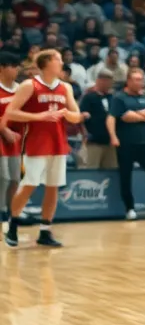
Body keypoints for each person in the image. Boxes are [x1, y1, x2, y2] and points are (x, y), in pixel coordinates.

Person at [4, 50, 82, 248]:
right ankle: (12, 225)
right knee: (29, 185)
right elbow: (11, 112)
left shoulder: (65, 87)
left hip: (58, 143)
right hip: (34, 144)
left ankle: (45, 231)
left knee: (53, 187)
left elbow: (76, 116)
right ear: (47, 63)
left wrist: (67, 113)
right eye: (58, 60)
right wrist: (40, 117)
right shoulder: (29, 85)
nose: (62, 63)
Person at [106, 69, 145, 220]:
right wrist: (113, 136)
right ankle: (130, 208)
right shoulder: (120, 98)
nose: (140, 82)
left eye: (141, 79)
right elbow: (112, 118)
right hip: (125, 143)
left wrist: (137, 115)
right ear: (129, 81)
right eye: (136, 79)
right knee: (126, 175)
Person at [77, 68, 119, 169]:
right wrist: (85, 135)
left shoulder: (113, 98)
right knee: (90, 171)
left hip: (110, 143)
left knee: (111, 171)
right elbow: (81, 118)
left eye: (110, 81)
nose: (109, 83)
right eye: (106, 80)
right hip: (93, 142)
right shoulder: (88, 97)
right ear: (99, 80)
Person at [0, 52, 22, 226]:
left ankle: (11, 214)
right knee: (3, 177)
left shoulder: (20, 89)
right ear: (2, 68)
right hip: (1, 137)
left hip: (15, 139)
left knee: (15, 178)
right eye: (13, 66)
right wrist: (4, 129)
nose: (17, 69)